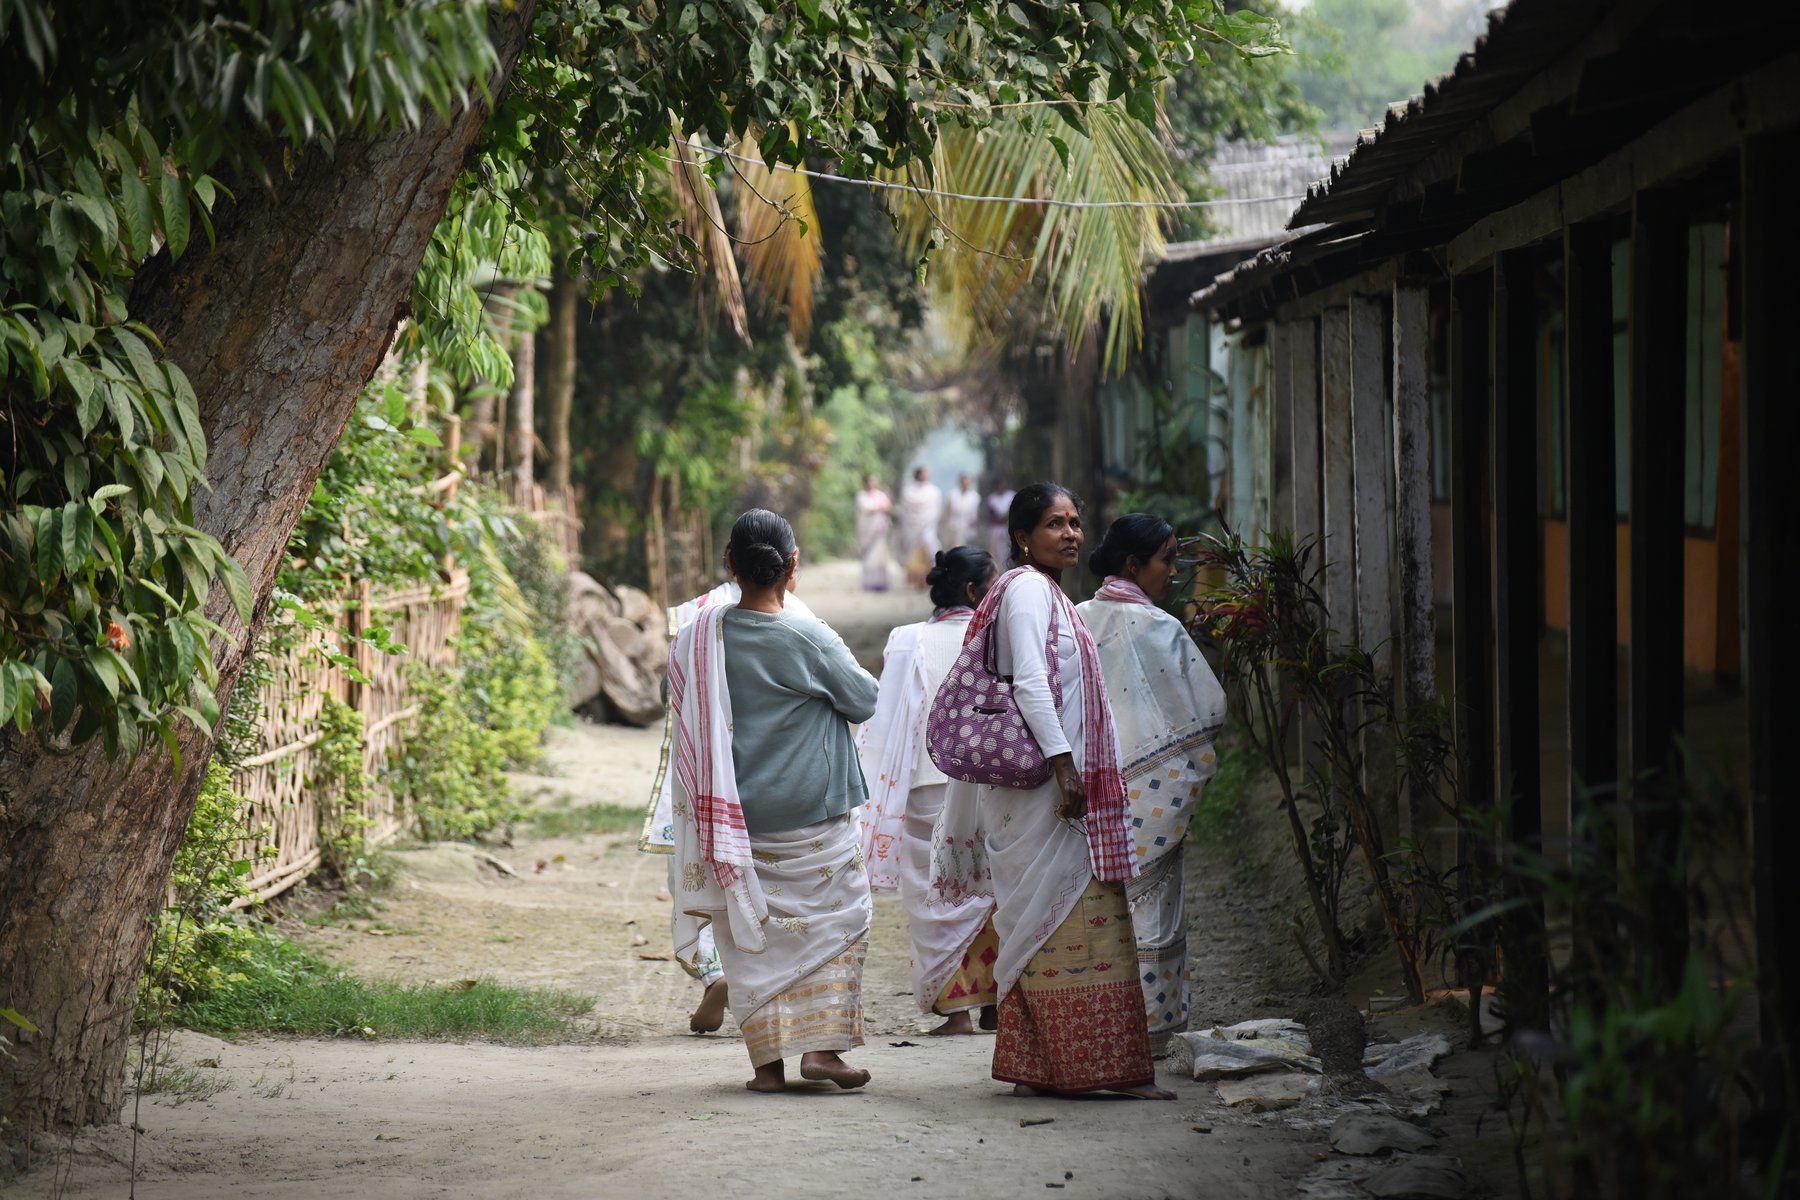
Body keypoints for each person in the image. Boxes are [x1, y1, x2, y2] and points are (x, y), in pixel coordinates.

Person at [962, 483, 1174, 1099]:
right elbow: (1030, 683)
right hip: (1047, 792)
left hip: (1043, 788)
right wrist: (1065, 767)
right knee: (1080, 918)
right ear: (1023, 537)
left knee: (1043, 922)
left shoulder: (1042, 592)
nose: (1072, 534)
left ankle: (1046, 1066)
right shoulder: (1028, 591)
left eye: (1077, 522)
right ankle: (1102, 1070)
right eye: (1056, 524)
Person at [669, 509, 880, 1093]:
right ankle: (823, 1051)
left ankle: (767, 1068)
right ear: (793, 567)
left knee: (749, 936)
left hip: (734, 819)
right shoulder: (807, 636)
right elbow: (863, 699)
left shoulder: (695, 640)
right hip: (814, 815)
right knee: (840, 922)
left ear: (730, 564)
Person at [640, 576, 816, 1035]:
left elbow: (669, 694)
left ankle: (715, 975)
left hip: (704, 780)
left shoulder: (695, 617)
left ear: (732, 561)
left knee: (699, 876)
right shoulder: (796, 615)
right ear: (789, 563)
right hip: (772, 780)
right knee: (769, 889)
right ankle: (770, 992)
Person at [1077, 514, 1225, 1053]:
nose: (1176, 569)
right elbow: (1208, 711)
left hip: (1084, 797)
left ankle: (1099, 1025)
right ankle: (1153, 1030)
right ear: (1135, 565)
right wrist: (1176, 765)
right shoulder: (1163, 628)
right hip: (1157, 794)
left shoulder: (1074, 622)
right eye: (1168, 558)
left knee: (1092, 909)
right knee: (1154, 910)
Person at [856, 546, 1000, 1036]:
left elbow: (884, 719)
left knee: (934, 895)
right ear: (974, 591)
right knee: (994, 886)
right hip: (991, 781)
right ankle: (996, 1001)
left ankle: (956, 1011)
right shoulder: (997, 637)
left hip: (924, 783)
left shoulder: (907, 640)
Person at [897, 466, 944, 588]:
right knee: (913, 553)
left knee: (931, 551)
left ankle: (932, 579)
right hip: (912, 529)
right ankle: (915, 580)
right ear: (918, 475)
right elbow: (905, 511)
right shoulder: (908, 492)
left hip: (928, 528)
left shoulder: (933, 491)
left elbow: (936, 510)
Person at [856, 474, 893, 591]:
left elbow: (888, 508)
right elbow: (869, 508)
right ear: (865, 483)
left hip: (879, 531)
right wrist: (882, 507)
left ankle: (880, 582)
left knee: (879, 556)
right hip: (868, 532)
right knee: (869, 557)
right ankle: (869, 582)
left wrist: (884, 504)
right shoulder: (861, 496)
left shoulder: (881, 495)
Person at [983, 476, 1015, 567]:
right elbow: (989, 514)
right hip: (995, 528)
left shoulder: (1010, 496)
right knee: (994, 551)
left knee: (1006, 551)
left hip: (1007, 527)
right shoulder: (992, 498)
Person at [946, 473, 982, 549]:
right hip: (955, 527)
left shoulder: (975, 497)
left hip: (969, 528)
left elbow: (976, 514)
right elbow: (949, 511)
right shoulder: (953, 495)